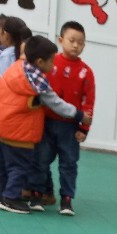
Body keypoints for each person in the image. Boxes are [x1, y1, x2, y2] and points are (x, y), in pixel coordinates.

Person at [0, 34, 90, 215]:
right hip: (18, 132)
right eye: (52, 61)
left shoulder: (17, 68)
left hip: (0, 127)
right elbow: (55, 103)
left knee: (3, 166)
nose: (54, 65)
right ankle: (11, 198)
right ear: (40, 62)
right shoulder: (37, 81)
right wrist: (79, 115)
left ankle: (3, 194)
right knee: (19, 166)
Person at [31, 21, 93, 216]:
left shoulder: (86, 72)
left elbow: (88, 101)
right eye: (72, 40)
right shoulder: (50, 64)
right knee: (40, 159)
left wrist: (83, 128)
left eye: (80, 42)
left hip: (70, 128)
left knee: (69, 164)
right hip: (46, 123)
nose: (75, 45)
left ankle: (66, 200)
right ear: (60, 40)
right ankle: (37, 194)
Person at [0, 15, 28, 193]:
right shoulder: (14, 54)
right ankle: (2, 179)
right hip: (12, 110)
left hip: (1, 108)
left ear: (6, 34)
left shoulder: (6, 56)